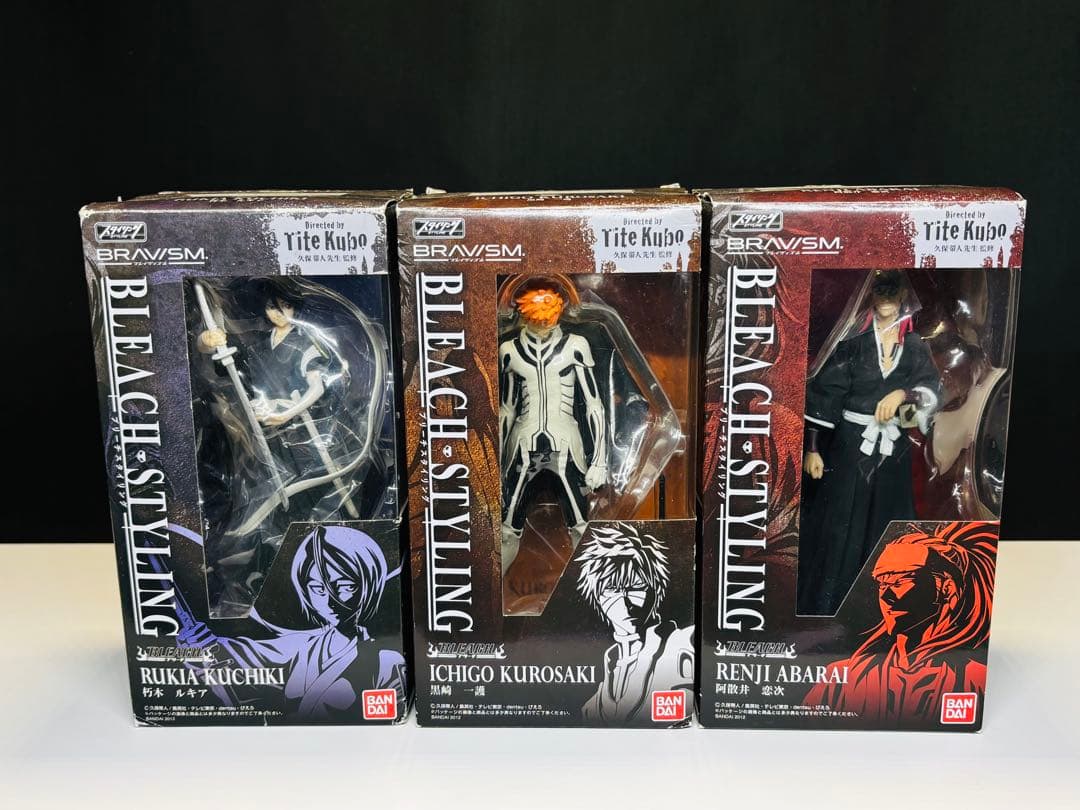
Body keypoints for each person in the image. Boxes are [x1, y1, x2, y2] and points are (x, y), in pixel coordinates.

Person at [798, 271, 943, 615]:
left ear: (903, 298)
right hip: (851, 447)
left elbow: (931, 390)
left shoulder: (914, 346)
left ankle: (885, 604)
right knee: (841, 521)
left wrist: (903, 394)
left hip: (893, 452)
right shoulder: (855, 343)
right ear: (872, 297)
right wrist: (813, 448)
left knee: (888, 519)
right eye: (881, 295)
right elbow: (825, 393)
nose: (887, 303)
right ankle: (830, 605)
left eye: (893, 296)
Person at [178, 525, 406, 721]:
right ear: (305, 590)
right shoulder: (305, 646)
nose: (330, 601)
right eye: (317, 588)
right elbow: (240, 650)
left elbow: (390, 711)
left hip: (346, 746)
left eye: (345, 587)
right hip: (289, 746)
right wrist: (200, 645)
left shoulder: (385, 662)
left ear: (369, 584)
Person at [804, 522, 995, 726]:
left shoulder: (972, 680)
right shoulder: (841, 679)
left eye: (899, 582)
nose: (886, 596)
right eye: (882, 584)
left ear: (946, 588)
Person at [499, 283, 609, 575]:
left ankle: (589, 589)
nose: (543, 321)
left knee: (582, 527)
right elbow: (507, 408)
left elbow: (594, 404)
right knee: (507, 529)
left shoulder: (575, 346)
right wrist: (495, 464)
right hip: (523, 447)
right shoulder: (509, 351)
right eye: (536, 315)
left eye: (548, 313)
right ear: (523, 314)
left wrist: (599, 461)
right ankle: (490, 592)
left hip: (567, 448)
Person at [577, 524, 694, 724]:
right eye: (612, 590)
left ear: (655, 588)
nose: (626, 603)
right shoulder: (595, 698)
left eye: (636, 587)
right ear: (598, 597)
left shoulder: (682, 644)